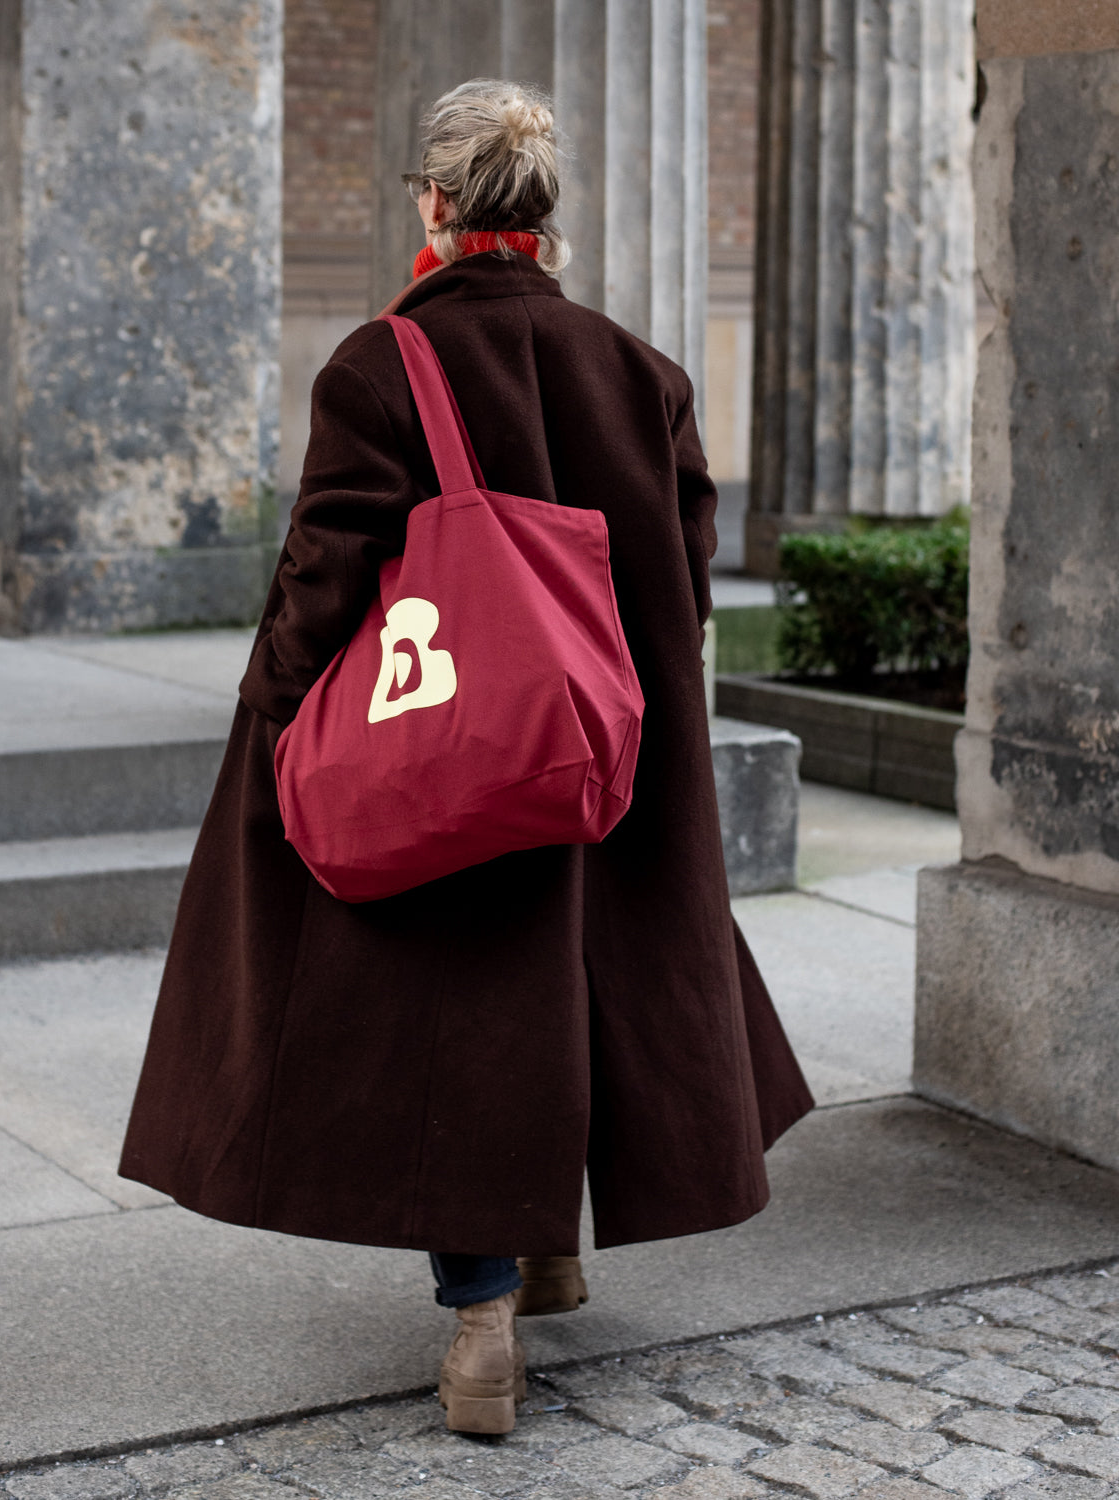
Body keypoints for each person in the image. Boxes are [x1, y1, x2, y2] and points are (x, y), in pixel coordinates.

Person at [119, 78, 813, 1437]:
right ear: (544, 214)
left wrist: (275, 711)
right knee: (574, 975)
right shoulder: (643, 371)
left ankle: (485, 1326)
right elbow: (682, 575)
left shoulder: (383, 363)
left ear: (436, 205)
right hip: (602, 756)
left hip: (450, 747)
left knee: (463, 1018)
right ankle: (547, 1245)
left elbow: (327, 568)